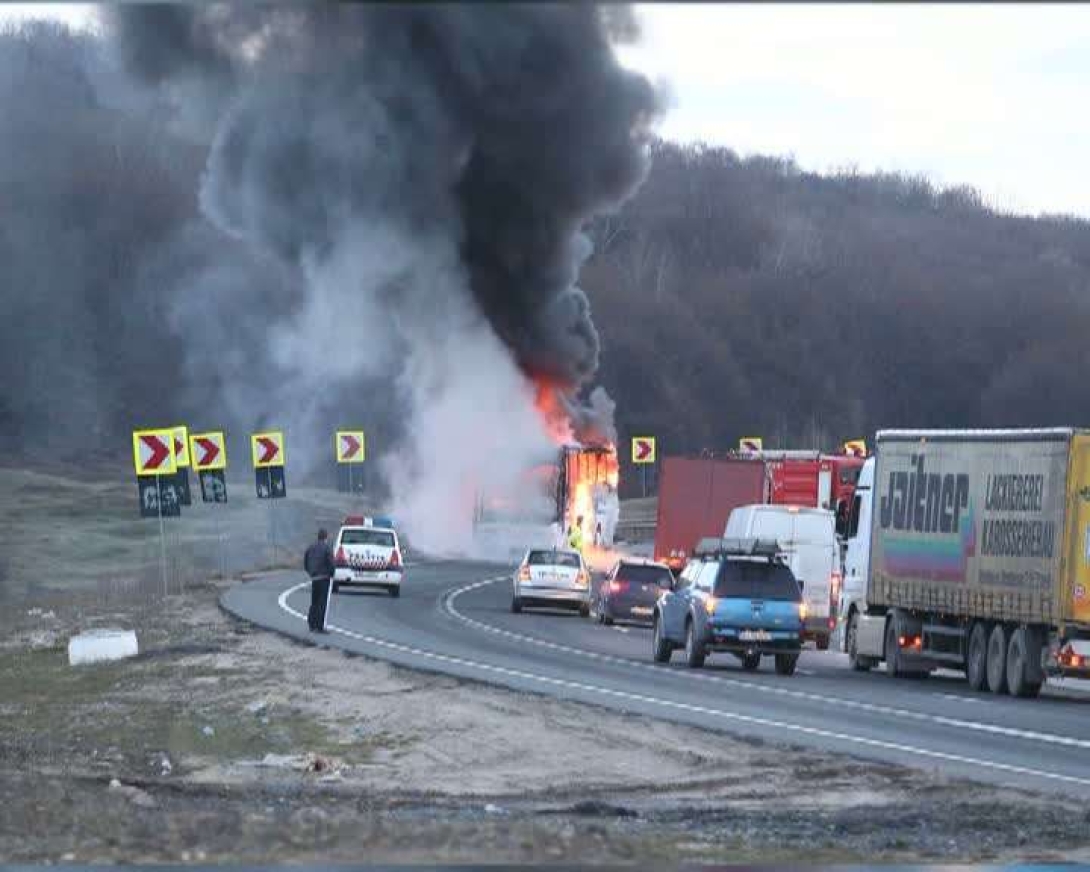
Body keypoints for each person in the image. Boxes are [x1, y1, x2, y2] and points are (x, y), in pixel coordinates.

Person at [304, 528, 336, 633]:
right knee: (322, 603)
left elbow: (306, 561)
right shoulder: (327, 548)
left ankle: (311, 624)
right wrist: (332, 574)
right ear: (326, 537)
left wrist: (310, 572)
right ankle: (320, 626)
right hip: (324, 578)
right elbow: (331, 563)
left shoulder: (311, 547)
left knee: (314, 601)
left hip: (314, 578)